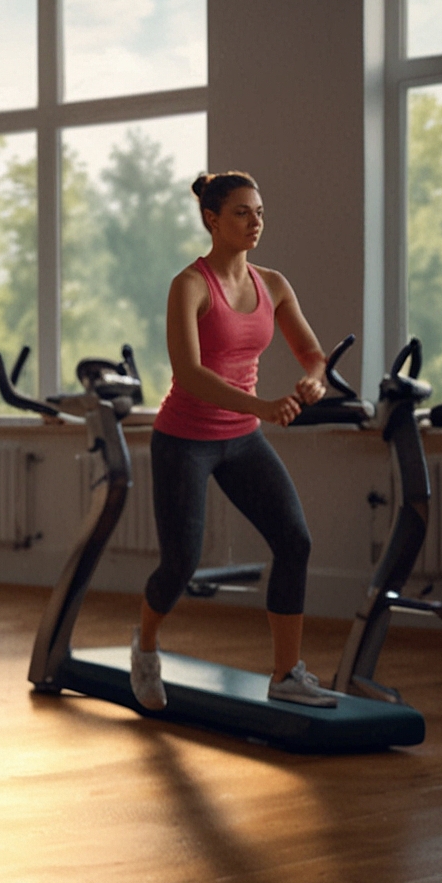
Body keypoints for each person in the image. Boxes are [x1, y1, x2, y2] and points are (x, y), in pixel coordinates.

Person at [130, 171, 330, 711]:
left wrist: (314, 379)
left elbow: (314, 355)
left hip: (241, 440)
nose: (255, 222)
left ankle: (286, 673)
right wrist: (263, 407)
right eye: (242, 212)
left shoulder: (274, 284)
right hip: (185, 439)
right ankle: (145, 648)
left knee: (295, 542)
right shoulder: (190, 286)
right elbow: (190, 374)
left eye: (260, 211)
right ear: (212, 220)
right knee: (181, 563)